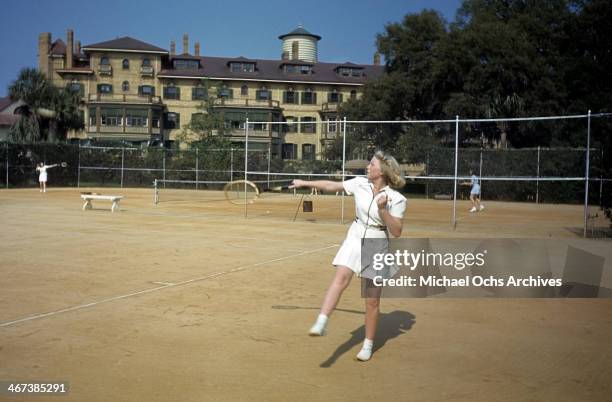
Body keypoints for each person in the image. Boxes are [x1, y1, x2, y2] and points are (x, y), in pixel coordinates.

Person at [291, 150, 406, 362]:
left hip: (377, 241)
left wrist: (383, 211)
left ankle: (368, 344)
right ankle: (321, 321)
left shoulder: (396, 199)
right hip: (355, 235)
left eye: (372, 164)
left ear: (382, 171)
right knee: (341, 278)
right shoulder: (359, 183)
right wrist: (304, 182)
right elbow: (331, 185)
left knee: (371, 301)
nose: (368, 167)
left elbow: (397, 231)